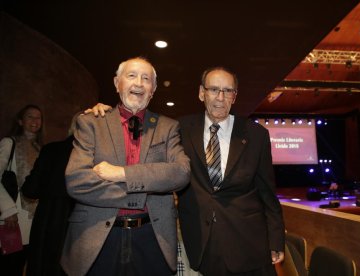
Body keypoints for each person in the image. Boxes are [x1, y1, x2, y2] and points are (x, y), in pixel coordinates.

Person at [89, 66, 286, 276]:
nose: (220, 97)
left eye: (228, 91)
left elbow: (267, 192)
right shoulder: (178, 128)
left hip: (249, 244)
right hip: (202, 242)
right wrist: (108, 114)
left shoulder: (256, 135)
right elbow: (138, 131)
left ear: (234, 96)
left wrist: (276, 239)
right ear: (202, 93)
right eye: (213, 90)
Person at [61, 57, 190, 276]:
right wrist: (142, 194)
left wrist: (121, 173)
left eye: (146, 78)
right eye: (131, 76)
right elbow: (76, 181)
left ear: (153, 89)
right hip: (97, 238)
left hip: (152, 239)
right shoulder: (91, 122)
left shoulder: (168, 127)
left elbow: (180, 173)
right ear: (116, 83)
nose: (139, 83)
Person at [21, 112, 81, 276]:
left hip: (47, 223)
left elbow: (30, 190)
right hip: (79, 227)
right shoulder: (97, 157)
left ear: (72, 126)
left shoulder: (50, 150)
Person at [0, 104, 43, 276]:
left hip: (33, 218)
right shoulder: (9, 143)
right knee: (9, 266)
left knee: (24, 264)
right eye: (30, 117)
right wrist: (8, 209)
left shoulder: (40, 148)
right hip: (12, 216)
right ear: (20, 121)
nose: (35, 121)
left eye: (38, 117)